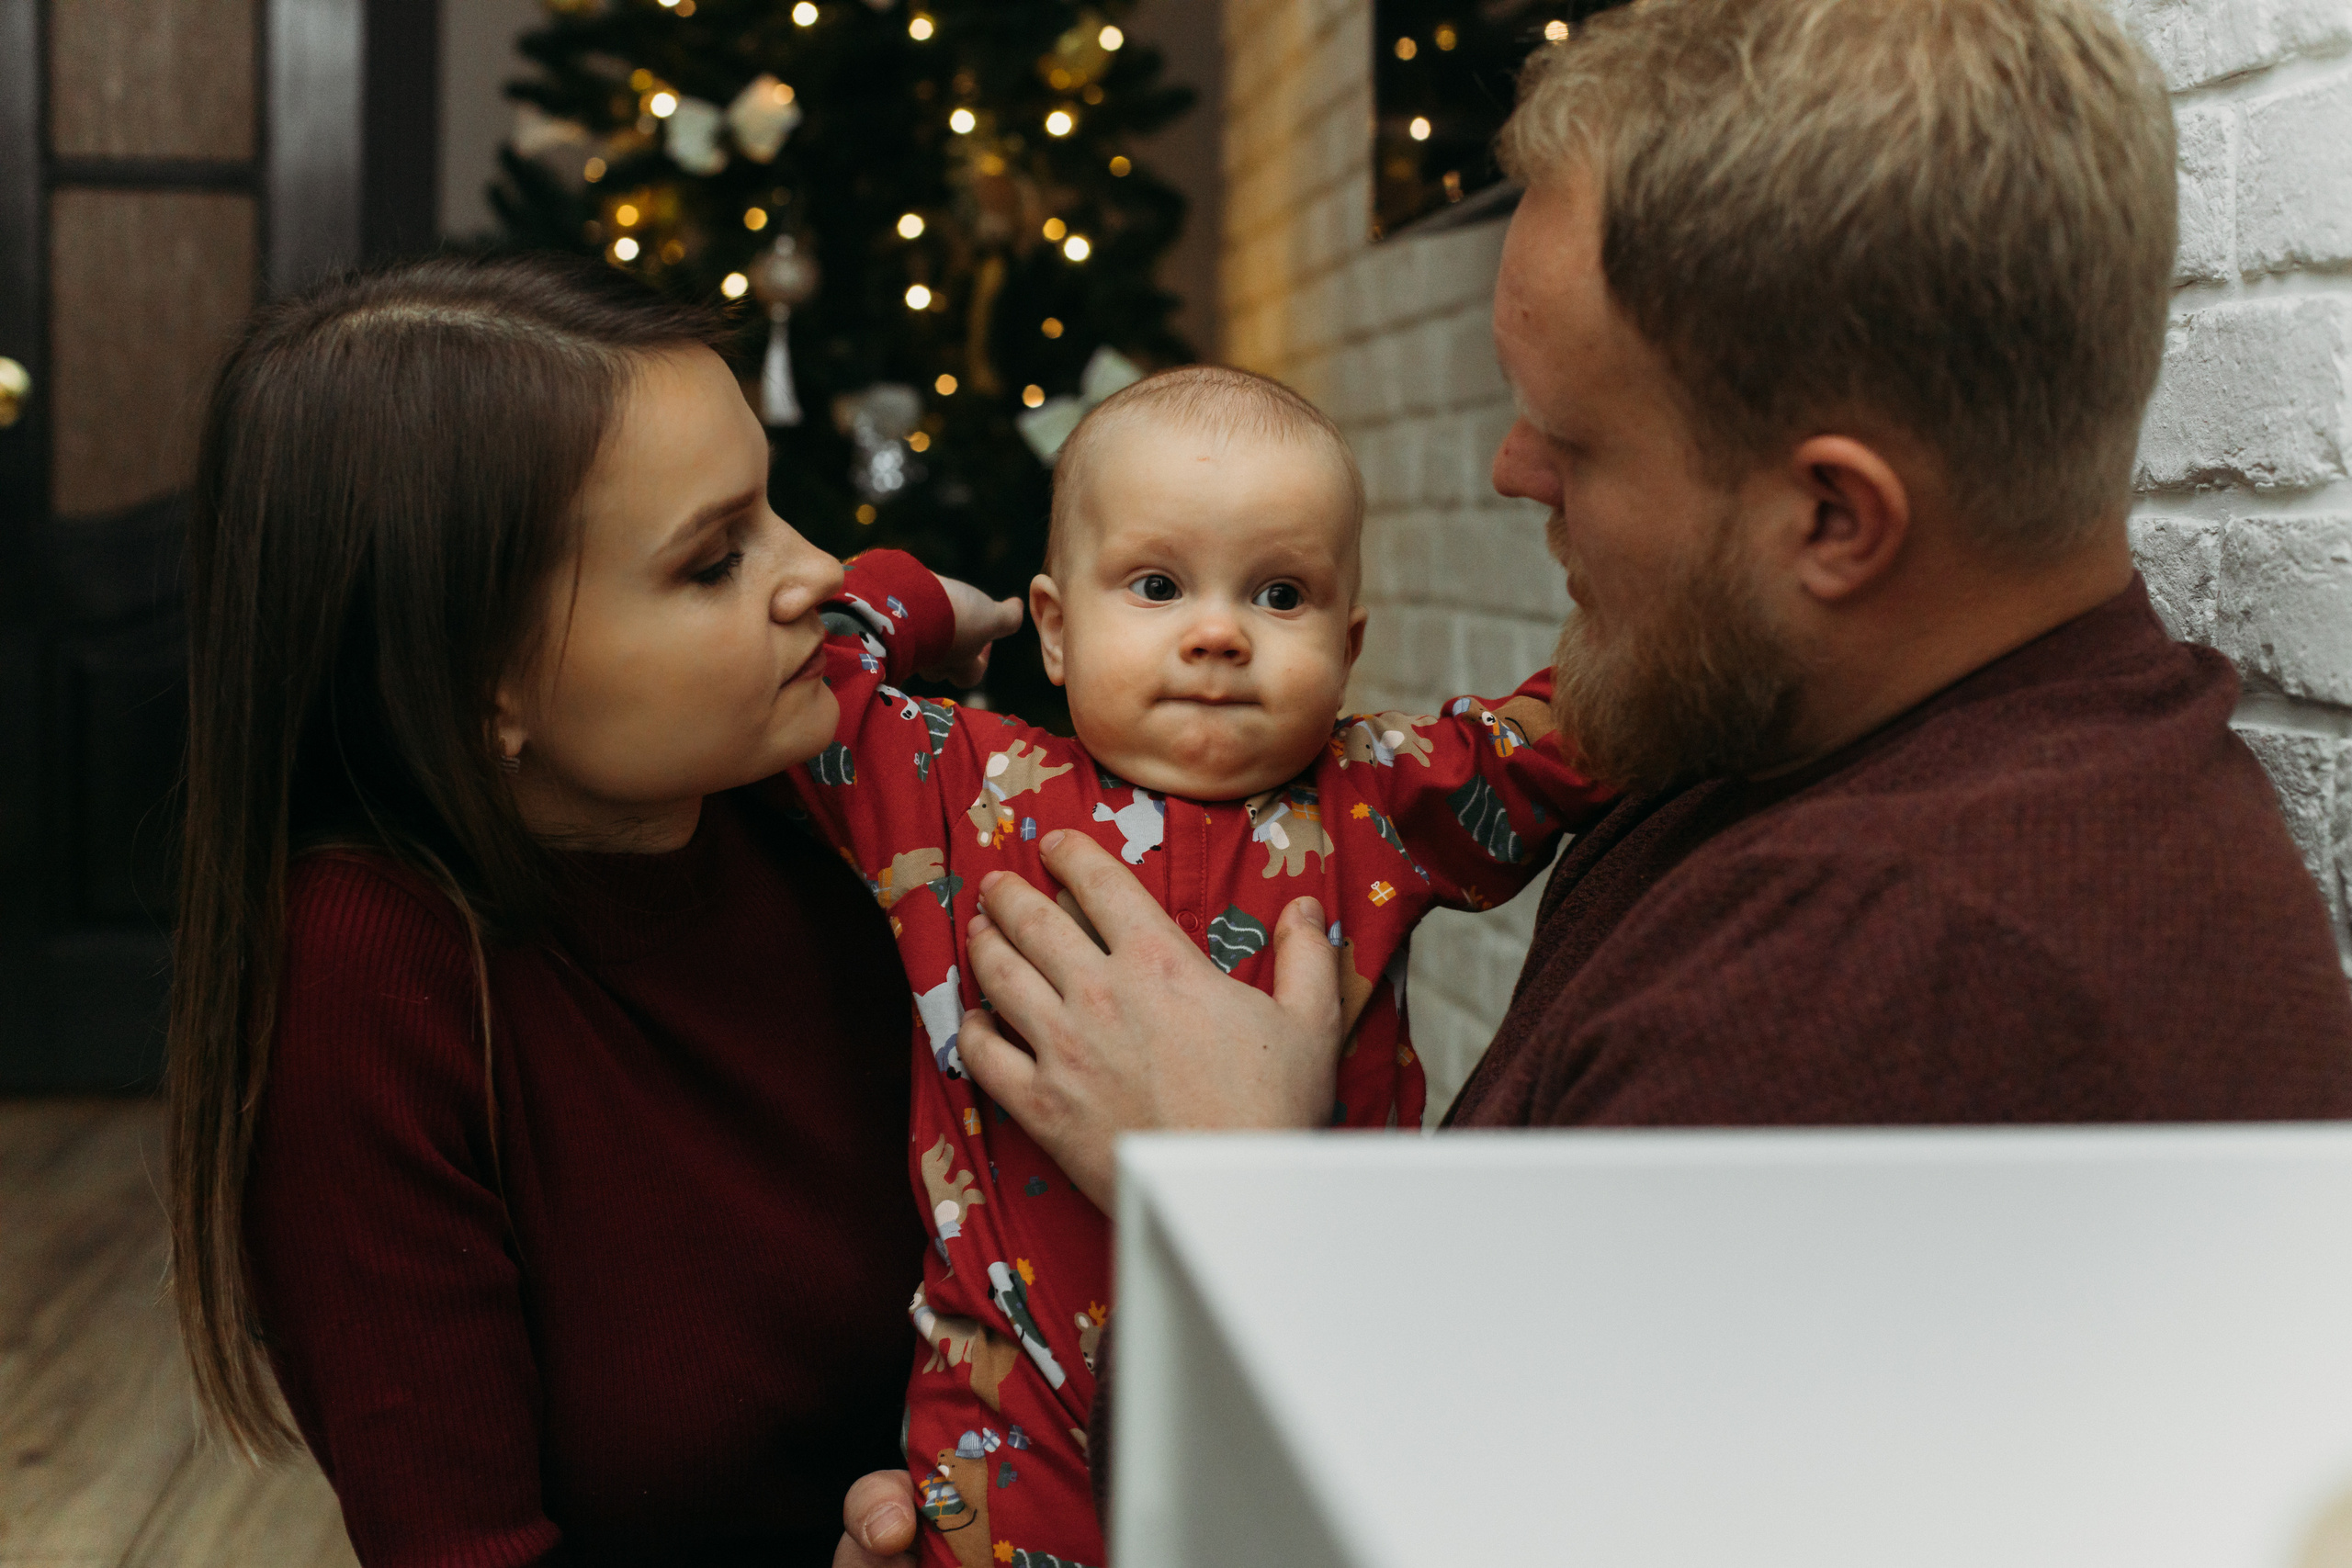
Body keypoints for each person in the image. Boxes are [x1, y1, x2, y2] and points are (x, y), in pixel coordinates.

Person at [829, 0, 2352, 1558]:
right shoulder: (1796, 732)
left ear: (1834, 520)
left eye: (1577, 438)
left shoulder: (1904, 977)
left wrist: (1222, 1188)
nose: (1511, 471)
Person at [169, 254, 1003, 1566]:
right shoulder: (371, 980)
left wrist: (938, 604)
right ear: (475, 685)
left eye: (775, 509)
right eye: (715, 560)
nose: (815, 571)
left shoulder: (788, 771)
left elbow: (876, 610)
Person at [792, 366, 1613, 1568]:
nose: (1219, 632)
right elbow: (804, 669)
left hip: (1311, 1383)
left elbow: (1600, 722)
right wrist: (917, 602)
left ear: (1348, 643)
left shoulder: (1385, 798)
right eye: (1158, 585)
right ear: (1057, 629)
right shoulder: (955, 785)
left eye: (1280, 594)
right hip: (1013, 1417)